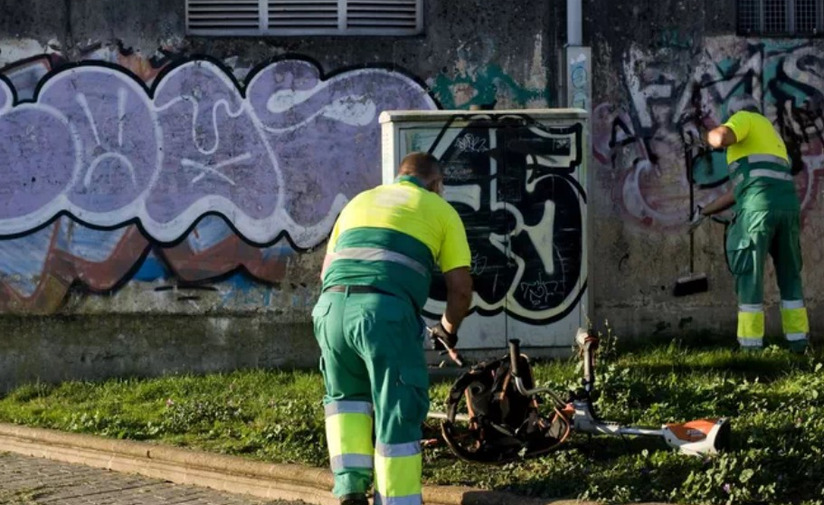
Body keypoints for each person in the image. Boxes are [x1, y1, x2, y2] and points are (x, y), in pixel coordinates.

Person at [312, 152, 473, 505]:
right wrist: (447, 328)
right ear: (436, 183)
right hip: (382, 315)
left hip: (330, 310)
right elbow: (460, 291)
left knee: (346, 402)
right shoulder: (439, 209)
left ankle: (350, 488)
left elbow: (326, 274)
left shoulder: (360, 201)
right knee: (397, 409)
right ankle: (397, 501)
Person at [700, 95, 809, 353]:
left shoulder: (746, 118)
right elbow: (737, 192)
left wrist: (706, 137)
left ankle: (750, 348)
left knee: (750, 273)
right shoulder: (772, 137)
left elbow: (720, 137)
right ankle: (798, 343)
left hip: (758, 211)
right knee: (790, 275)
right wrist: (704, 211)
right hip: (787, 209)